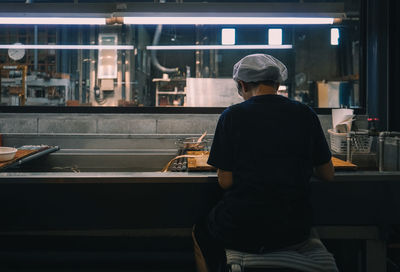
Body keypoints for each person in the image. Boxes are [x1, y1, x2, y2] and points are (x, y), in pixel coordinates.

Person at [192, 54, 335, 272]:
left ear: (242, 85)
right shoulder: (305, 113)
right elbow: (327, 174)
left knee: (200, 231)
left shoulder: (232, 116)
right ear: (277, 83)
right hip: (294, 230)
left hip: (242, 229)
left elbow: (225, 182)